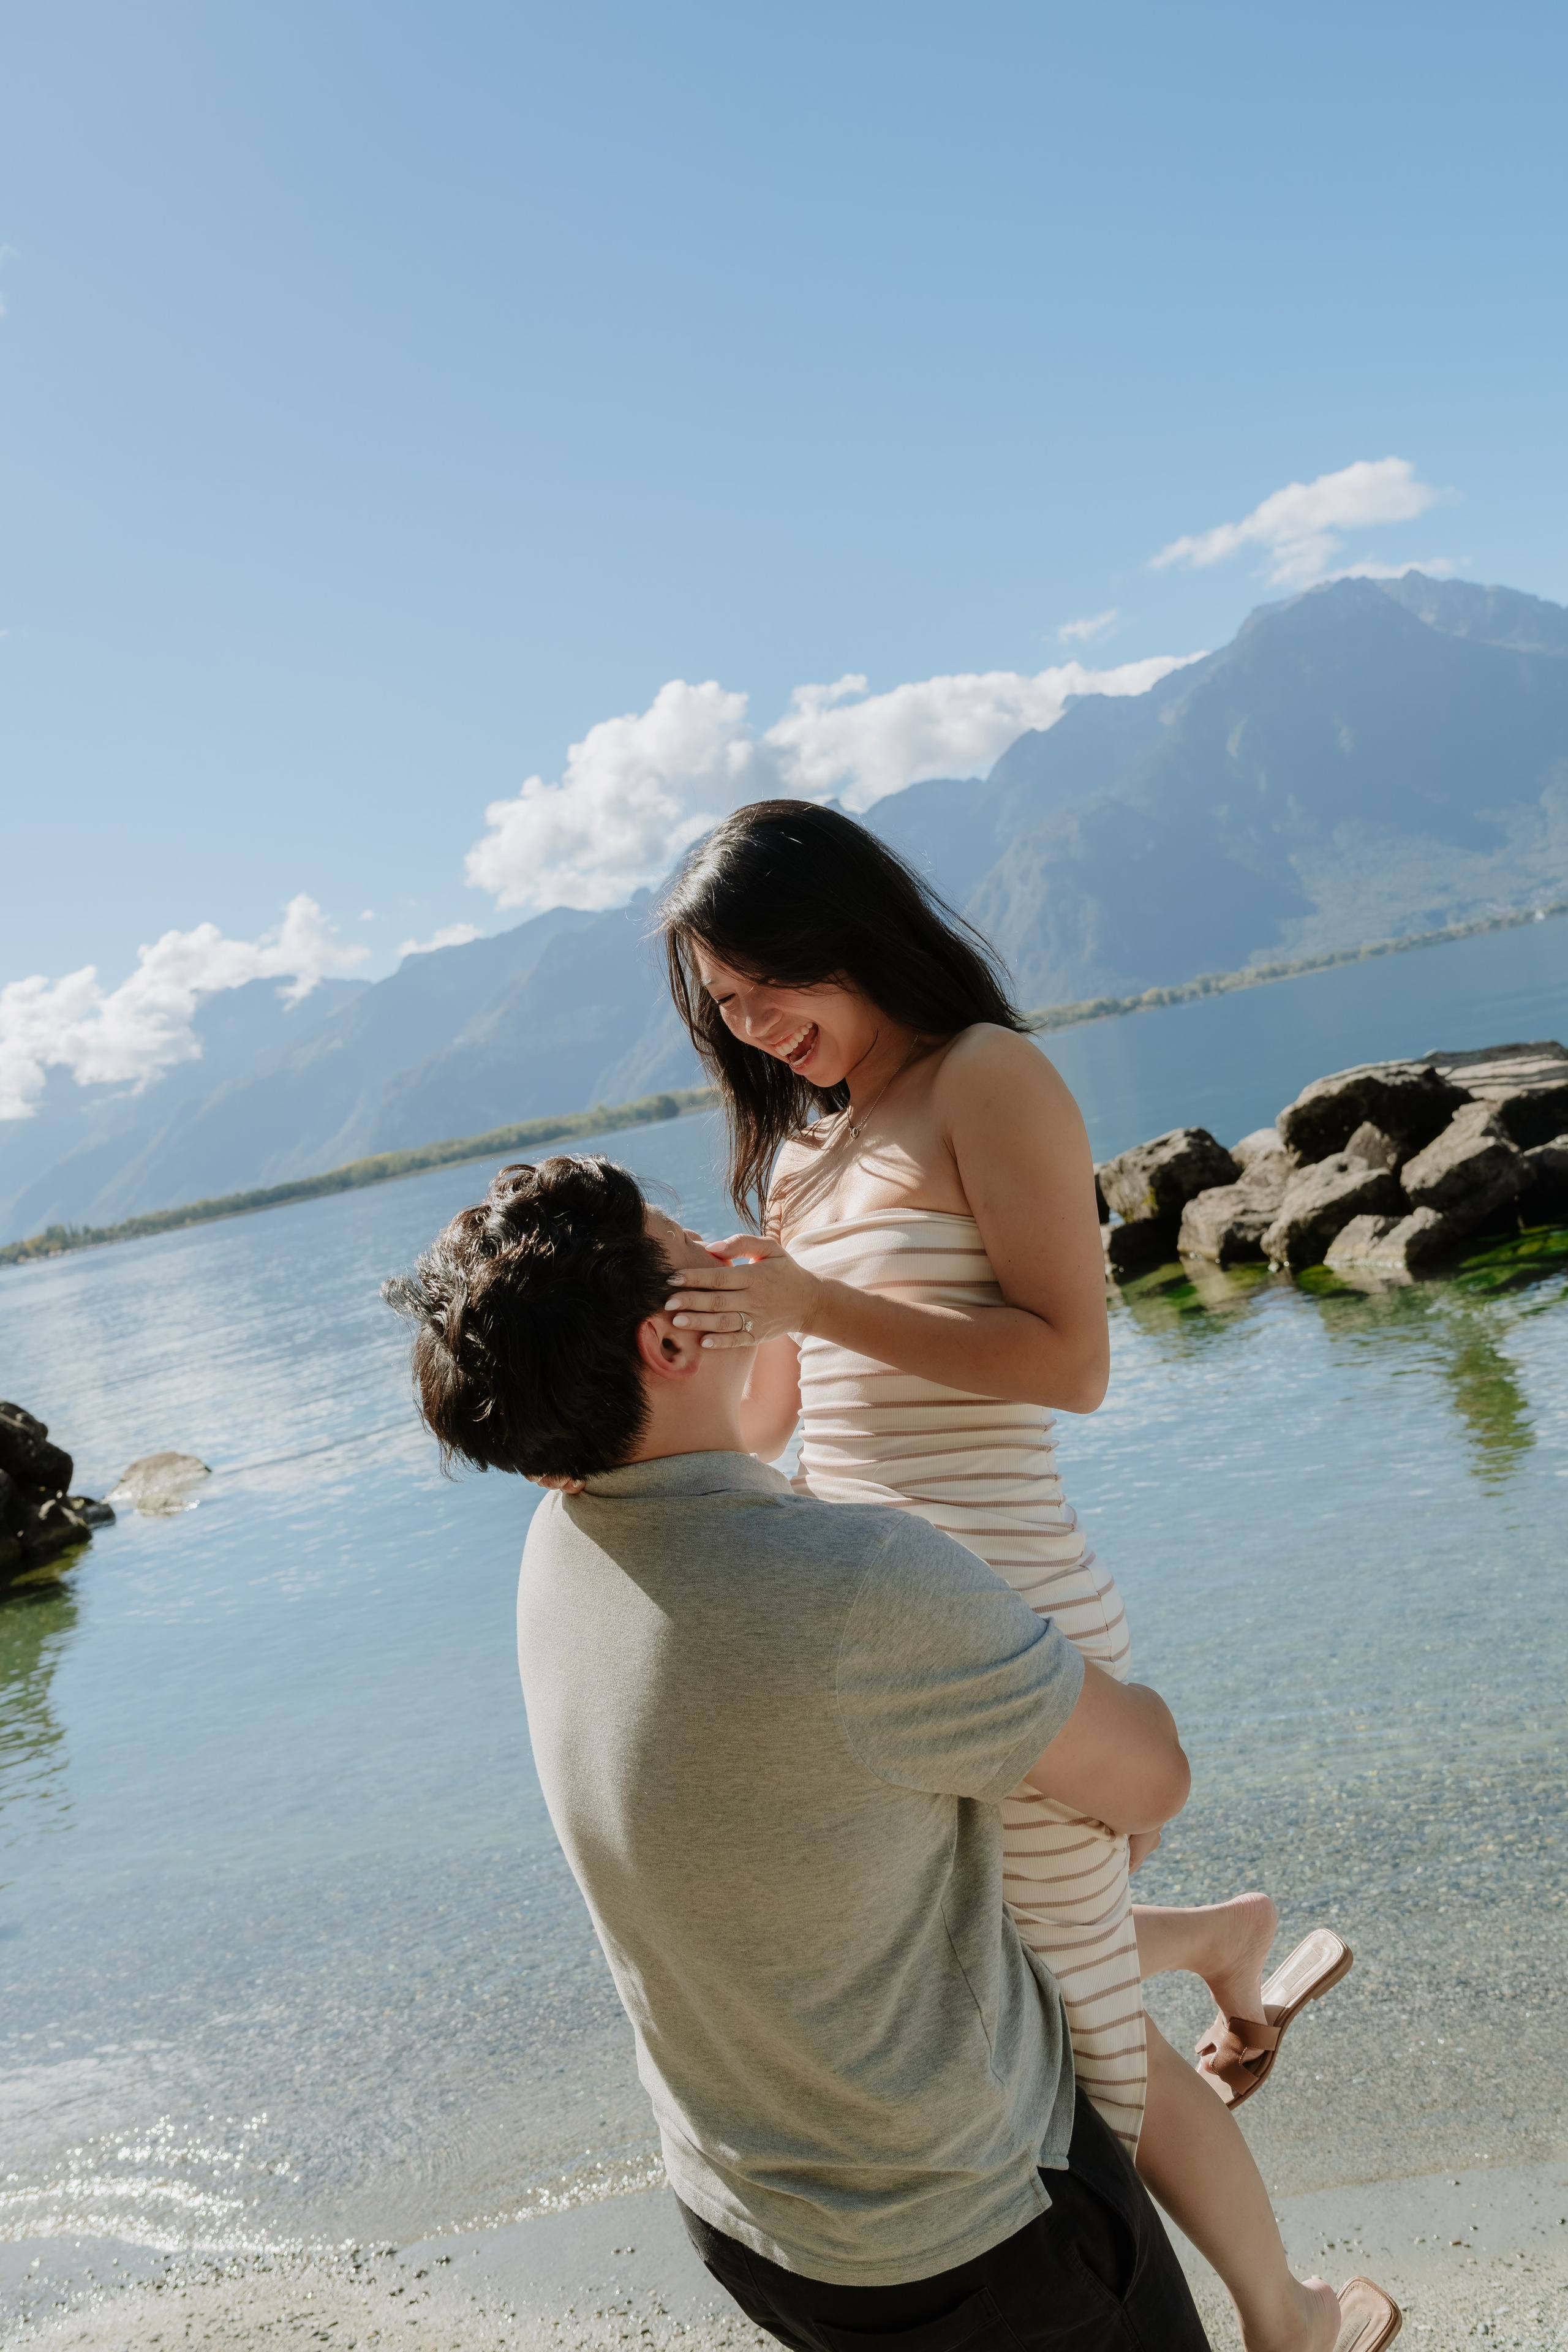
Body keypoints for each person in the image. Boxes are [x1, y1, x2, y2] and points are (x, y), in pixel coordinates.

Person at [384, 1155, 1400, 2352]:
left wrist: (802, 1314)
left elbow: (734, 1475)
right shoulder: (855, 1588)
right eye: (692, 1250)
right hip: (974, 2239)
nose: (722, 1252)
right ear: (668, 1342)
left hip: (745, 2213)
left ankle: (1211, 1952)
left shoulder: (562, 1549)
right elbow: (1152, 1778)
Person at [648, 799, 1395, 2352]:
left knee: (1094, 2055)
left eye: (760, 987)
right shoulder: (803, 1142)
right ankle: (1214, 1942)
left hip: (1006, 1613)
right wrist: (713, 1359)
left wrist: (811, 1302)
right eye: (721, 1010)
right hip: (870, 1647)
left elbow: (1070, 1366)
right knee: (990, 1974)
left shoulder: (987, 1078)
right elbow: (791, 1418)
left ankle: (1293, 2316)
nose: (752, 1029)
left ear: (840, 934)